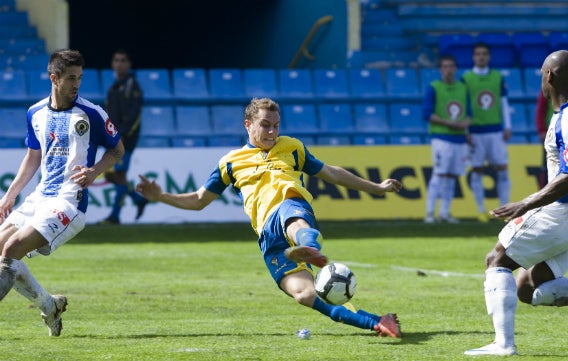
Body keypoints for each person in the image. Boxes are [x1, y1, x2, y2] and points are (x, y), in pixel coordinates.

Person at [136, 97, 402, 338]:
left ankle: (309, 246)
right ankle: (380, 322)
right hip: (267, 233)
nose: (273, 132)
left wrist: (376, 188)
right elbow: (198, 200)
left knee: (292, 218)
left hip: (290, 205)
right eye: (265, 125)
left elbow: (332, 173)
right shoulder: (230, 162)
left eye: (276, 125)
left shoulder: (292, 147)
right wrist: (161, 196)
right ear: (248, 124)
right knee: (305, 295)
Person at [465, 50, 568, 356]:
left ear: (550, 76)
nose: (541, 78)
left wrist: (523, 204)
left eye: (542, 73)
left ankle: (503, 344)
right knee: (527, 287)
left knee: (496, 260)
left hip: (564, 213)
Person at [0, 49, 124, 336]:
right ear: (53, 78)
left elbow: (117, 150)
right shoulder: (35, 113)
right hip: (40, 198)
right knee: (2, 250)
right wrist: (10, 194)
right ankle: (49, 304)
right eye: (70, 78)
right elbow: (33, 157)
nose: (76, 84)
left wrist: (94, 171)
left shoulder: (91, 113)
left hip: (69, 203)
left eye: (79, 78)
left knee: (12, 248)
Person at [461, 42, 512, 222]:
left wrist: (508, 126)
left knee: (502, 169)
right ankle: (481, 210)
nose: (481, 57)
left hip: (495, 130)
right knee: (477, 170)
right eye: (477, 54)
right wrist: (465, 129)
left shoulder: (498, 77)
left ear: (488, 56)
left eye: (484, 54)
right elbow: (462, 105)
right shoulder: (465, 78)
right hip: (475, 132)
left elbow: (504, 102)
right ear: (473, 57)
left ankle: (504, 210)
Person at [100, 49, 147, 224]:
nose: (119, 63)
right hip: (114, 138)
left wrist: (123, 136)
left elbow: (135, 115)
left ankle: (115, 216)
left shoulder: (132, 85)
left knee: (119, 176)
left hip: (124, 140)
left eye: (122, 60)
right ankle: (139, 199)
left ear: (128, 64)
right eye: (116, 60)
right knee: (111, 176)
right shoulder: (115, 86)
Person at [422, 55, 471, 223]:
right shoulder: (434, 87)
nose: (448, 70)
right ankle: (429, 213)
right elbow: (427, 114)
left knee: (452, 176)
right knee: (439, 174)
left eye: (451, 66)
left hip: (459, 139)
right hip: (441, 137)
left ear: (455, 68)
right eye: (445, 66)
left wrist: (464, 124)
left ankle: (444, 212)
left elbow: (469, 113)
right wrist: (447, 122)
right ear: (441, 69)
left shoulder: (463, 88)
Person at [535, 82, 568, 189]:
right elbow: (541, 109)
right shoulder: (548, 87)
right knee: (548, 168)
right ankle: (542, 200)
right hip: (552, 135)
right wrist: (541, 129)